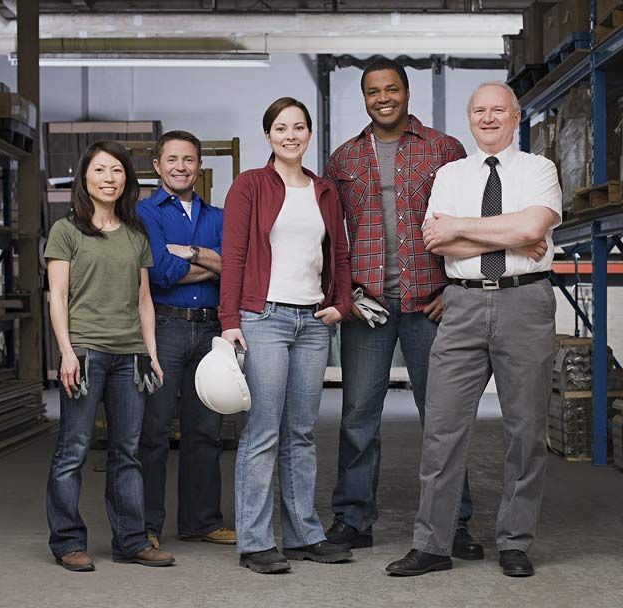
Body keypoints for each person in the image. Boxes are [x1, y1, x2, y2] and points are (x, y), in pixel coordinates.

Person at [386, 81, 559, 578]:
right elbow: (436, 242)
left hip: (525, 301)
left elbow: (531, 233)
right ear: (469, 117)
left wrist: (466, 228)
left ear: (515, 116)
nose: (488, 118)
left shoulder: (539, 170)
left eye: (497, 110)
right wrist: (500, 231)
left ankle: (515, 542)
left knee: (525, 429)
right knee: (442, 429)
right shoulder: (450, 174)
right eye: (479, 110)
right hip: (459, 307)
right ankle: (433, 544)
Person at [323, 56, 479, 559]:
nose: (383, 98)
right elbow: (331, 238)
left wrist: (455, 290)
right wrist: (343, 296)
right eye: (373, 91)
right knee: (357, 415)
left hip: (429, 303)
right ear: (364, 97)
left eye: (391, 89)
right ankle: (352, 519)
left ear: (406, 93)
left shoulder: (443, 149)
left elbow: (469, 222)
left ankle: (453, 522)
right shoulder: (344, 158)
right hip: (368, 306)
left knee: (443, 416)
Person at [219, 97, 354, 574]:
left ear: (309, 134)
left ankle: (302, 535)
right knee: (262, 432)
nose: (290, 135)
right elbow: (233, 255)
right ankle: (255, 542)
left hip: (313, 322)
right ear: (269, 135)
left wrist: (342, 302)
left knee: (301, 433)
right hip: (264, 318)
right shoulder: (250, 185)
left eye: (299, 127)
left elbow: (338, 250)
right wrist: (229, 319)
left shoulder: (324, 190)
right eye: (281, 127)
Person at [44, 141, 175, 571]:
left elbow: (143, 301)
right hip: (84, 352)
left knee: (127, 452)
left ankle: (132, 541)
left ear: (127, 179)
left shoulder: (136, 234)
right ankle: (67, 543)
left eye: (117, 170)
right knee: (74, 450)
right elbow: (57, 296)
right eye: (100, 170)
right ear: (84, 178)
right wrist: (65, 353)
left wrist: (151, 353)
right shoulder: (66, 231)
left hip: (129, 357)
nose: (109, 178)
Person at [135, 130, 235, 550]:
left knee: (205, 430)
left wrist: (190, 254)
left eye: (189, 159)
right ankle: (146, 526)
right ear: (158, 166)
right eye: (172, 159)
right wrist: (214, 262)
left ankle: (201, 521)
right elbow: (158, 272)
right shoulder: (146, 213)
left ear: (199, 166)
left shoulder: (219, 216)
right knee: (155, 430)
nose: (181, 166)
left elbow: (237, 266)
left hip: (211, 329)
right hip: (166, 327)